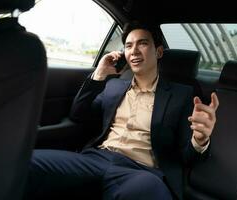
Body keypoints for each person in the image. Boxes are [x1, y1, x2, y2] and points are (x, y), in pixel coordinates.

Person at [25, 21, 219, 200]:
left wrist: (200, 140)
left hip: (140, 171)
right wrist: (99, 75)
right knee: (27, 162)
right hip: (96, 159)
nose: (134, 51)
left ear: (158, 52)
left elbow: (185, 156)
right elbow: (79, 114)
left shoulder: (181, 94)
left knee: (148, 189)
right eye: (128, 45)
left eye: (142, 43)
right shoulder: (114, 86)